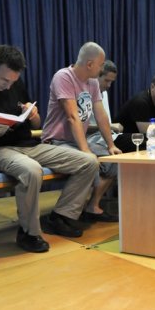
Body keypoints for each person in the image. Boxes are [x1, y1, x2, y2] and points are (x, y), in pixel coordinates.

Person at [0, 45, 98, 246]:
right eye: (4, 80)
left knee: (89, 161)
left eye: (13, 81)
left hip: (28, 145)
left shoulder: (15, 82)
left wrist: (33, 114)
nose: (8, 86)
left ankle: (61, 216)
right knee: (31, 170)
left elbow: (36, 125)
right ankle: (29, 233)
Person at [41, 42, 122, 223]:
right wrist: (85, 150)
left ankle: (92, 207)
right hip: (56, 142)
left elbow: (101, 115)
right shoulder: (63, 77)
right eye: (101, 65)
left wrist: (111, 145)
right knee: (88, 162)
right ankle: (63, 216)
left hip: (76, 142)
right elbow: (72, 116)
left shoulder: (92, 82)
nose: (102, 69)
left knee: (114, 161)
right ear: (90, 64)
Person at [115, 72, 155, 152]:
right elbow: (150, 135)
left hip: (140, 140)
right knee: (152, 143)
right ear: (152, 87)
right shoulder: (141, 102)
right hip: (122, 138)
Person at [88, 60, 122, 132]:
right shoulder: (84, 95)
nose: (109, 85)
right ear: (96, 76)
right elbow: (79, 126)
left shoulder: (104, 93)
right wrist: (109, 126)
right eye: (106, 81)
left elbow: (107, 123)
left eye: (111, 82)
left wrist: (110, 127)